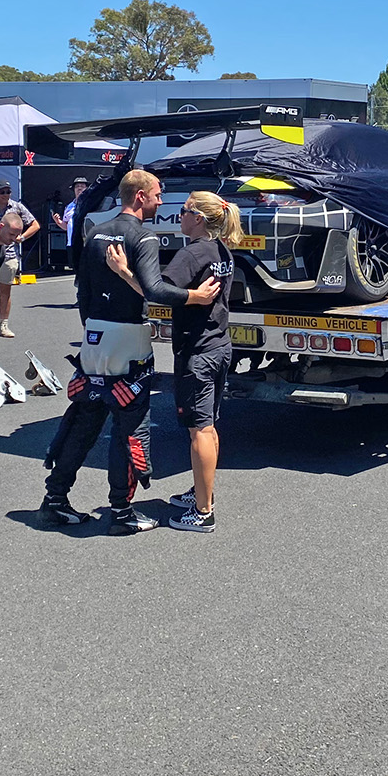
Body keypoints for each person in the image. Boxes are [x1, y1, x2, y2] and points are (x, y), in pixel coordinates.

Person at [39, 169, 220, 535]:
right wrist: (194, 297)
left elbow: (82, 292)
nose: (160, 200)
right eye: (157, 194)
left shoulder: (93, 233)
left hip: (94, 336)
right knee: (130, 428)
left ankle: (55, 499)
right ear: (140, 196)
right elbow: (155, 290)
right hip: (129, 341)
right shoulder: (144, 238)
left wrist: (93, 327)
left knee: (83, 419)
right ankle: (121, 511)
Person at [155, 192, 240, 533]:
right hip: (219, 345)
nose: (179, 215)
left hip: (198, 352)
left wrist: (123, 272)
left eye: (185, 211)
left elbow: (158, 290)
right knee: (210, 425)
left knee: (199, 429)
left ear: (199, 219)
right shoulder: (222, 251)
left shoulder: (191, 253)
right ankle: (203, 491)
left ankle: (203, 512)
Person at [0, 181, 38, 337]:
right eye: (2, 192)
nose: (6, 195)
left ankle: (4, 325)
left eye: (8, 192)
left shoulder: (16, 207)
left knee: (5, 292)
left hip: (9, 255)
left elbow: (35, 224)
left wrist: (21, 237)